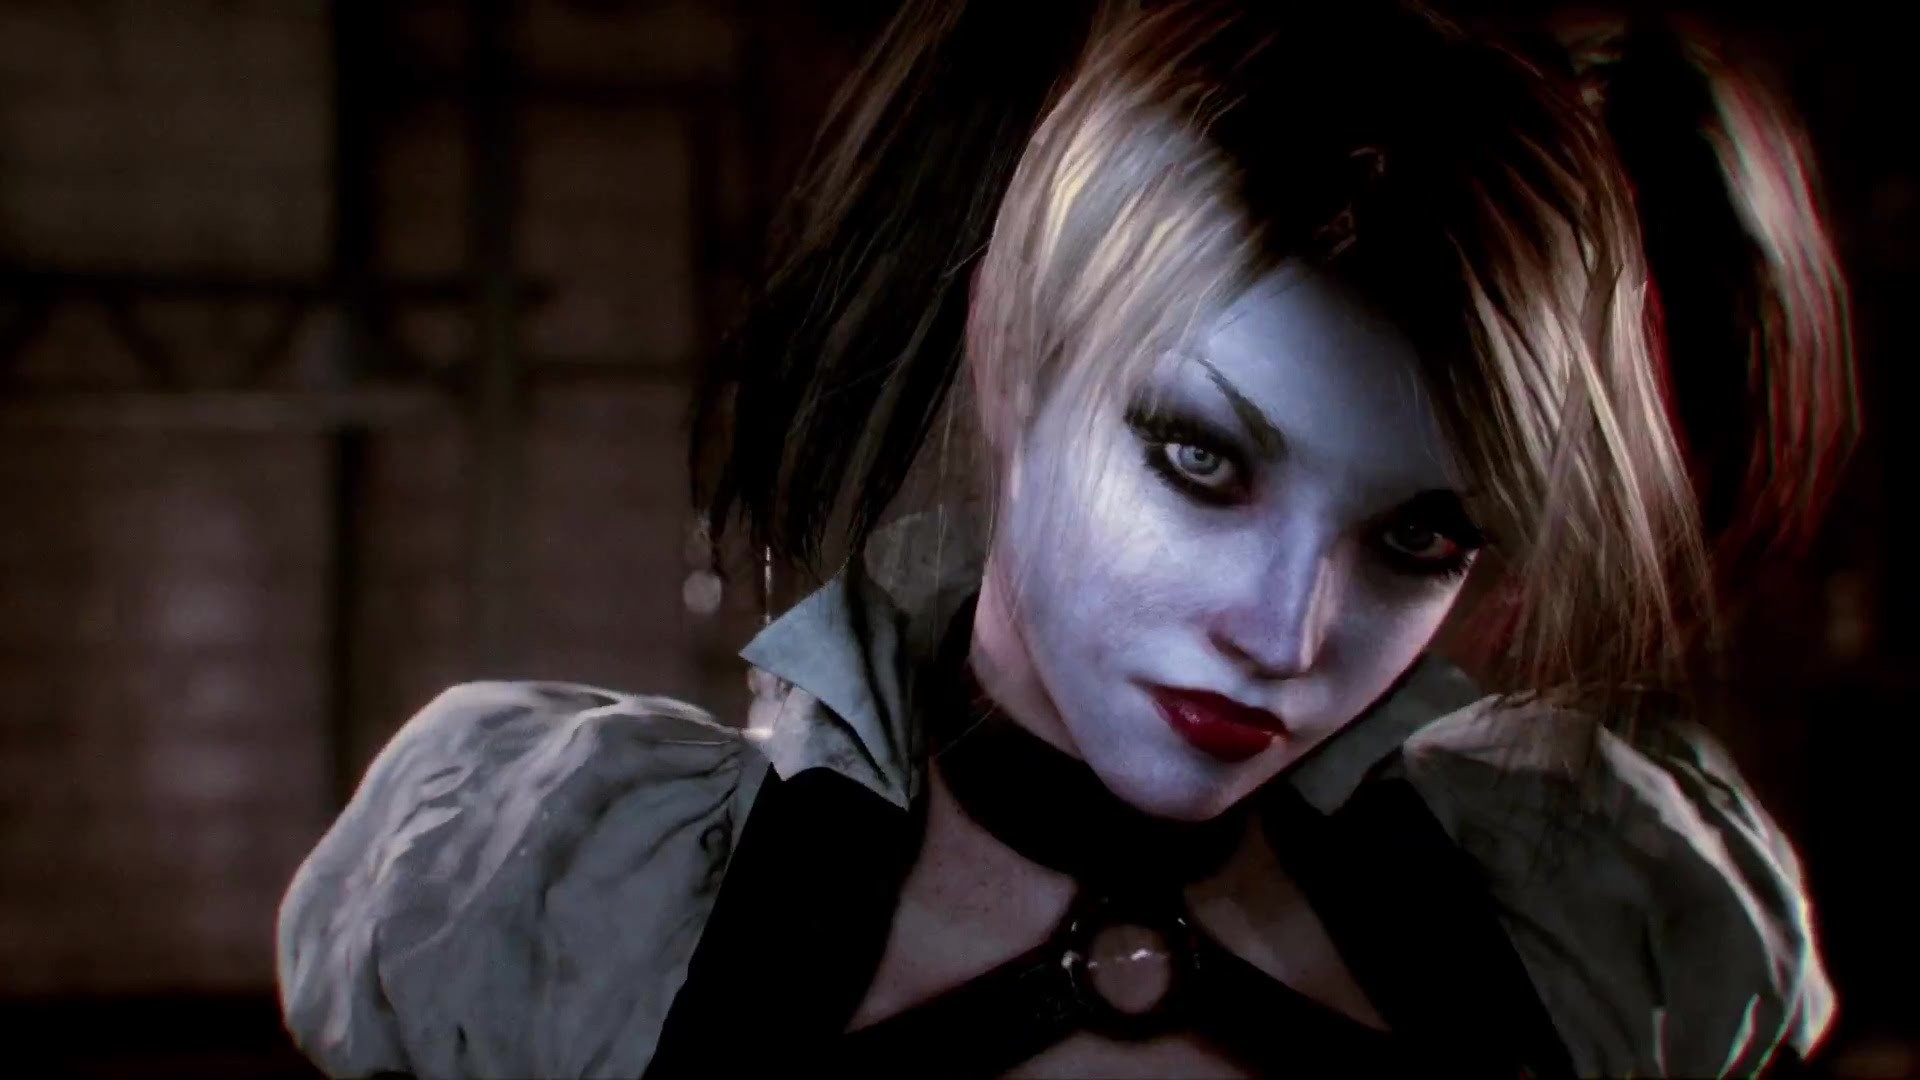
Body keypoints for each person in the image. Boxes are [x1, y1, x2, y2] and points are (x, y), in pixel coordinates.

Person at [275, 2, 1847, 1076]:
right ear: (1012, 356)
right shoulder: (557, 904)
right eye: (1200, 461)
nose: (1285, 637)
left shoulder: (1602, 929)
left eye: (1420, 539)